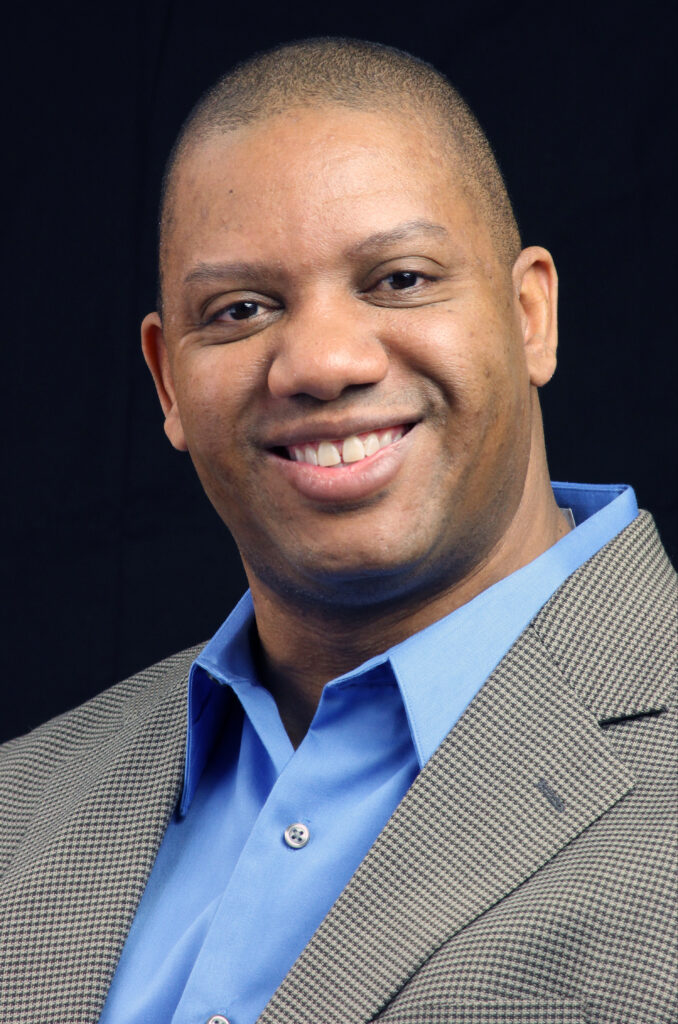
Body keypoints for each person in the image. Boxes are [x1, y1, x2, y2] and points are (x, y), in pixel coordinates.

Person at [0, 37, 675, 1024]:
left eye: (399, 278)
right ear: (167, 381)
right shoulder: (20, 800)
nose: (320, 362)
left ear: (531, 314)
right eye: (240, 309)